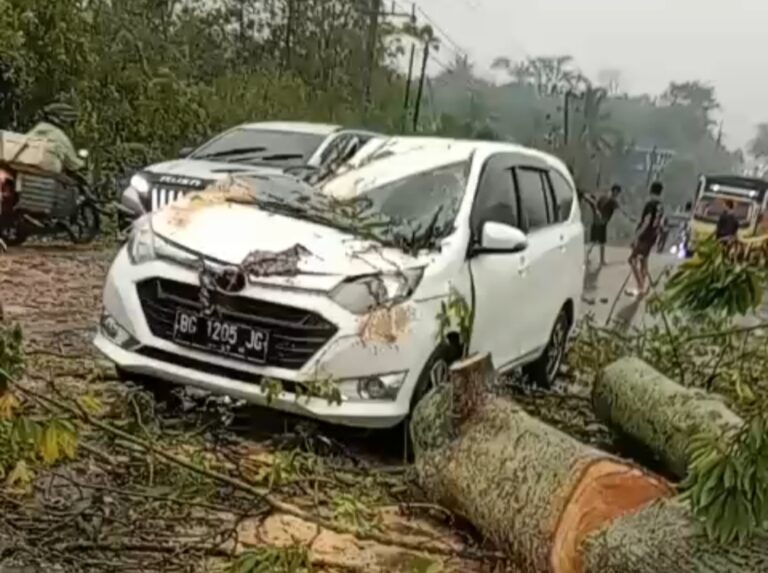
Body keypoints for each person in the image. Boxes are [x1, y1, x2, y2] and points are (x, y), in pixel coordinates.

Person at [627, 181, 665, 297]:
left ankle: (640, 287)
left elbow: (646, 222)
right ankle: (642, 286)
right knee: (644, 261)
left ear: (651, 190)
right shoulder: (660, 206)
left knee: (632, 260)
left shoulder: (650, 205)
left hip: (645, 236)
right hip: (653, 235)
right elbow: (660, 222)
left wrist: (636, 236)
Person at [25, 102, 84, 174]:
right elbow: (73, 164)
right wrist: (82, 165)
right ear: (64, 121)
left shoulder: (34, 131)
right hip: (48, 177)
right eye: (71, 124)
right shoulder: (58, 135)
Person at [583, 184, 629, 266]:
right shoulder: (612, 201)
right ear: (615, 191)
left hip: (596, 222)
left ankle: (590, 258)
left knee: (595, 241)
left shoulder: (603, 197)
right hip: (602, 223)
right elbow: (621, 210)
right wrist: (629, 217)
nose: (618, 195)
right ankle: (599, 260)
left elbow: (595, 205)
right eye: (618, 193)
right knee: (600, 242)